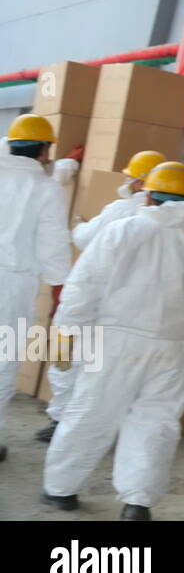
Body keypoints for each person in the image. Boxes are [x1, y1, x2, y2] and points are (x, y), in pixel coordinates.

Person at [41, 161, 184, 519]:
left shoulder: (124, 229)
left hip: (117, 339)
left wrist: (65, 332)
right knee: (156, 422)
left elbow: (85, 284)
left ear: (147, 194)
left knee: (91, 413)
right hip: (173, 345)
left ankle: (61, 489)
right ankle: (137, 503)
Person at [36, 150, 169, 444]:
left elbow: (83, 239)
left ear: (140, 183)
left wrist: (80, 223)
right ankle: (103, 429)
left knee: (65, 359)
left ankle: (61, 421)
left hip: (92, 299)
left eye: (130, 175)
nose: (126, 179)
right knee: (105, 371)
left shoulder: (120, 210)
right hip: (131, 310)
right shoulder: (175, 226)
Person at [0, 114, 73, 463]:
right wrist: (61, 289)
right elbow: (53, 245)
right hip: (12, 285)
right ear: (44, 152)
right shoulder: (45, 189)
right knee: (3, 362)